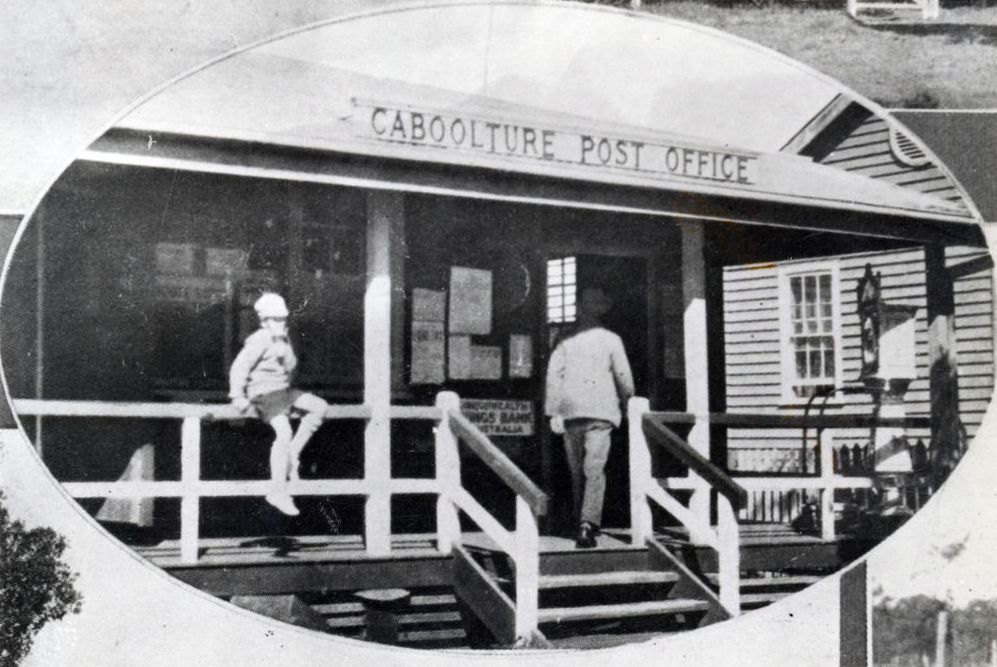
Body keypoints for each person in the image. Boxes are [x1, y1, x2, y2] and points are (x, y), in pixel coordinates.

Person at [545, 287, 635, 548]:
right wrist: (629, 403)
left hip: (571, 411)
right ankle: (587, 524)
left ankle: (580, 522)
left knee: (577, 471)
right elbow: (623, 378)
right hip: (601, 412)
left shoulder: (565, 339)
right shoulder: (611, 339)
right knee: (594, 469)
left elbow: (554, 375)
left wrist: (553, 411)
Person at [229, 293, 328, 516]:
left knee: (319, 406)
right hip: (264, 393)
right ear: (264, 321)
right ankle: (278, 490)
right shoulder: (259, 339)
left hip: (284, 391)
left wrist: (284, 349)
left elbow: (292, 367)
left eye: (282, 319)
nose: (280, 323)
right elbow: (239, 367)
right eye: (275, 319)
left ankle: (294, 453)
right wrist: (238, 396)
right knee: (283, 432)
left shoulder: (283, 339)